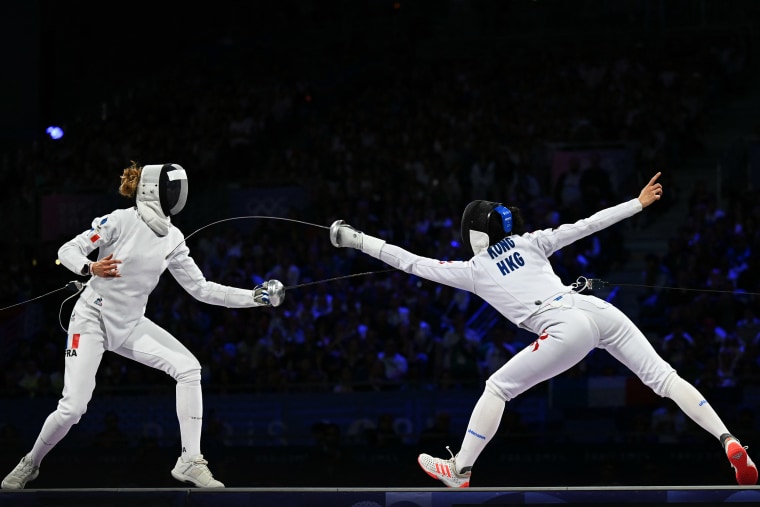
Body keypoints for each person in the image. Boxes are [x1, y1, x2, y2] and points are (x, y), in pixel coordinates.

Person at [329, 172, 758, 487]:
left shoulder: (474, 270)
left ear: (475, 236)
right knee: (665, 377)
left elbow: (409, 261)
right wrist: (637, 203)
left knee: (497, 388)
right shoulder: (530, 240)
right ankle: (729, 440)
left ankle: (460, 469)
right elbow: (586, 225)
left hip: (564, 326)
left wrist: (356, 239)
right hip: (592, 308)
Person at [1, 162, 285, 490]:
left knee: (189, 368)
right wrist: (90, 266)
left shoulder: (173, 239)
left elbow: (202, 289)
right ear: (154, 190)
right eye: (173, 190)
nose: (178, 196)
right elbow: (68, 250)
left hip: (130, 324)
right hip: (91, 318)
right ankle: (30, 463)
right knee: (73, 407)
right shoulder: (119, 221)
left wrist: (256, 296)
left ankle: (190, 460)